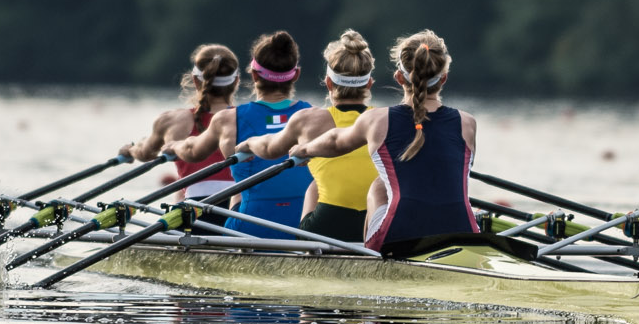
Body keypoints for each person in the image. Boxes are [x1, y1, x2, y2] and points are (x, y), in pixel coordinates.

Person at [286, 29, 492, 256]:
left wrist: (304, 149)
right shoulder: (468, 123)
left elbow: (335, 142)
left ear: (399, 77)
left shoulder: (378, 120)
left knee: (379, 186)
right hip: (464, 234)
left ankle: (370, 259)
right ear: (443, 78)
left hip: (398, 238)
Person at [239, 30, 380, 241]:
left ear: (329, 83)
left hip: (328, 224)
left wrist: (249, 143)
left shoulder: (308, 120)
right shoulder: (384, 119)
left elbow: (270, 149)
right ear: (369, 83)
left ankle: (305, 246)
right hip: (375, 221)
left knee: (313, 186)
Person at [170, 31, 310, 236]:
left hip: (248, 227)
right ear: (296, 74)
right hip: (302, 225)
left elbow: (192, 152)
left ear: (253, 74)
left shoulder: (227, 119)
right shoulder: (316, 117)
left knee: (239, 192)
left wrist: (174, 145)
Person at [123, 44, 238, 200]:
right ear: (236, 82)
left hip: (195, 212)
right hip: (240, 209)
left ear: (195, 81)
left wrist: (130, 150)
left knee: (180, 197)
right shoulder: (248, 118)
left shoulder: (171, 121)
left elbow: (145, 153)